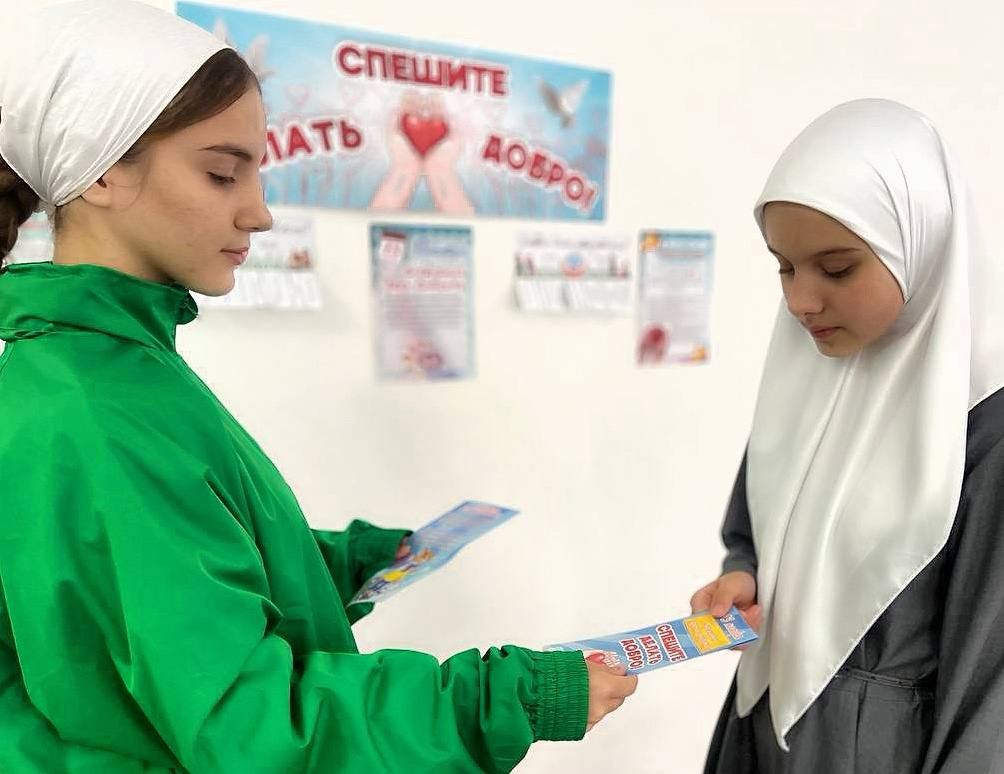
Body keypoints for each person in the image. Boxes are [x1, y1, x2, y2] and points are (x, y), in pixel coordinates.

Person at [0, 2, 636, 772]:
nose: (259, 211)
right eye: (221, 173)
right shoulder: (98, 410)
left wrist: (333, 566)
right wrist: (509, 699)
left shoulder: (108, 370)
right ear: (102, 170)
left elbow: (153, 593)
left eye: (257, 173)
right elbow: (251, 724)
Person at [691, 98, 1004, 773]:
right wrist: (743, 575)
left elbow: (992, 690)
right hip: (759, 725)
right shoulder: (809, 377)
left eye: (836, 269)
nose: (800, 301)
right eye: (783, 266)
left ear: (923, 247)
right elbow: (755, 525)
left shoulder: (986, 422)